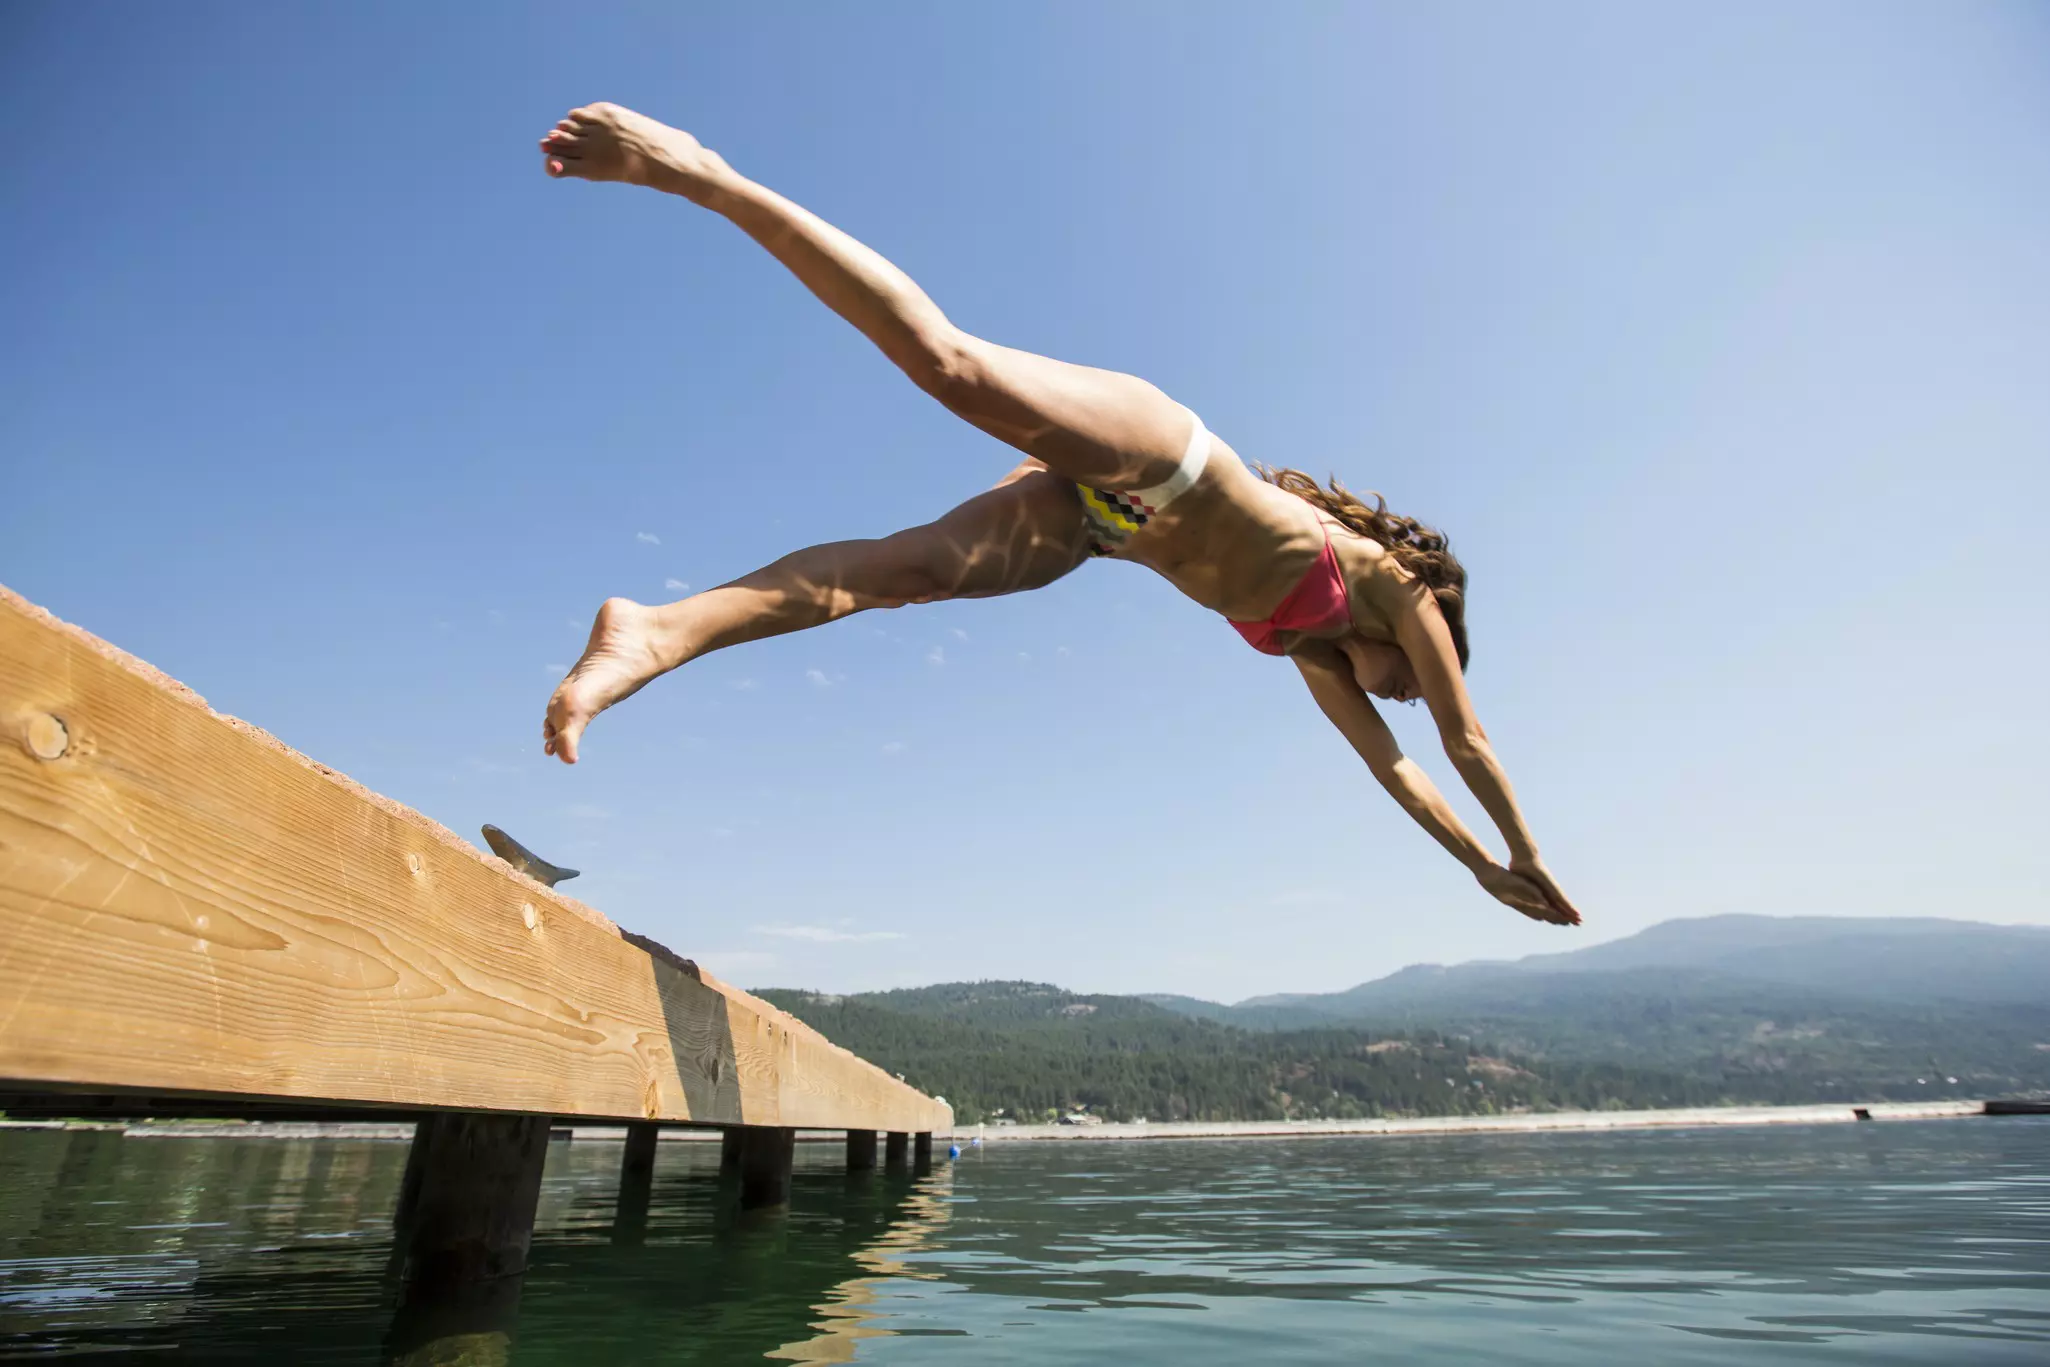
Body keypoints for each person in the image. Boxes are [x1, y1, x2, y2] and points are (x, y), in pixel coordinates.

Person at [535, 104, 1581, 928]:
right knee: (950, 365)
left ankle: (660, 630)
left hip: (1099, 527)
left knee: (906, 573)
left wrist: (1482, 871)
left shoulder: (1311, 649)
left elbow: (1394, 772)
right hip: (1162, 452)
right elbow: (1463, 741)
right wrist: (1527, 846)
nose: (1400, 698)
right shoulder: (1394, 592)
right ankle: (698, 172)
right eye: (1409, 683)